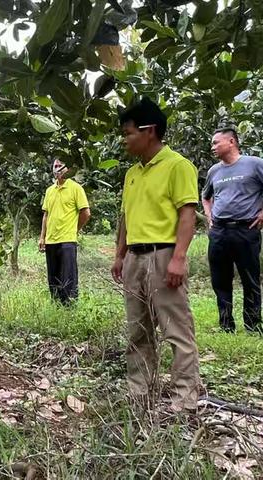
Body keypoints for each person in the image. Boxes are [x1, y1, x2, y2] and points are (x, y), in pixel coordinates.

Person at [111, 97, 200, 413]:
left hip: (162, 255)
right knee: (138, 328)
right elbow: (126, 216)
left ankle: (185, 398)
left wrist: (179, 257)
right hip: (135, 257)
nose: (125, 139)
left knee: (175, 329)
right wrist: (120, 255)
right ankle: (139, 391)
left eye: (128, 132)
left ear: (149, 131)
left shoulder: (178, 166)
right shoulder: (132, 174)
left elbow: (187, 214)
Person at [202, 128, 263, 334]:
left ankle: (253, 325)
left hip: (246, 230)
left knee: (250, 279)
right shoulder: (214, 171)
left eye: (216, 142)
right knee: (220, 280)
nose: (213, 147)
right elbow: (205, 197)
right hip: (219, 232)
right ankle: (226, 325)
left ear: (231, 141)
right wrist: (209, 218)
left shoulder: (254, 164)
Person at [39, 158, 90, 305]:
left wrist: (74, 230)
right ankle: (56, 306)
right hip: (51, 240)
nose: (57, 168)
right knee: (53, 277)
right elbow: (46, 215)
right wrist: (42, 237)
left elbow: (85, 213)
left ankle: (70, 307)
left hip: (67, 240)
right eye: (55, 166)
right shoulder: (49, 191)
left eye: (60, 166)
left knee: (68, 278)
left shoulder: (75, 188)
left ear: (67, 169)